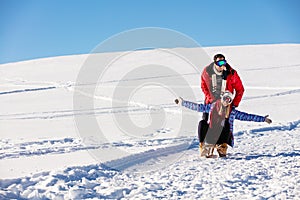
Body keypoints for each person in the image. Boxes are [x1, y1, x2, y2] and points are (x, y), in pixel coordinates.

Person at [175, 91, 272, 158]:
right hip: (212, 133)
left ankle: (221, 147)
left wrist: (263, 119)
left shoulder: (232, 112)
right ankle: (204, 147)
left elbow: (247, 116)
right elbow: (198, 107)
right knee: (202, 123)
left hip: (223, 136)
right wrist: (183, 102)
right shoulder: (213, 107)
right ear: (222, 98)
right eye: (225, 98)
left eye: (229, 100)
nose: (226, 101)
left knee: (226, 124)